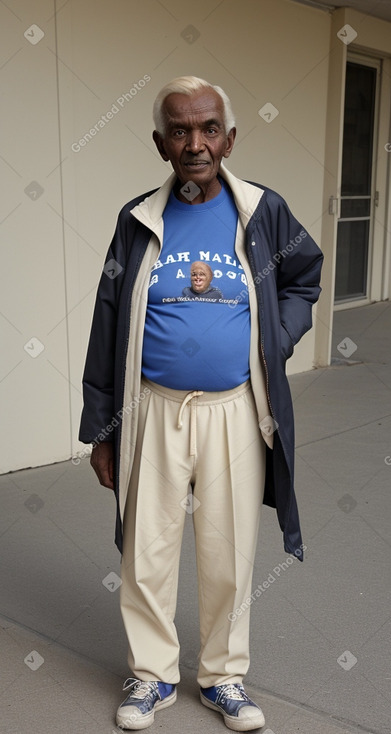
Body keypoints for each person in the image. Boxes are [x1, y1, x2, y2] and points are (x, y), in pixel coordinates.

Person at [79, 76, 323, 731]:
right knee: (146, 550)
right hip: (151, 409)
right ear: (161, 144)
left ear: (229, 138)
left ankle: (222, 678)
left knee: (227, 548)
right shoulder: (137, 221)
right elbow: (108, 325)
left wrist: (277, 334)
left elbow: (304, 278)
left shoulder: (261, 211)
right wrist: (100, 431)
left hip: (235, 412)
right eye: (179, 131)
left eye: (208, 128)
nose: (195, 143)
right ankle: (151, 677)